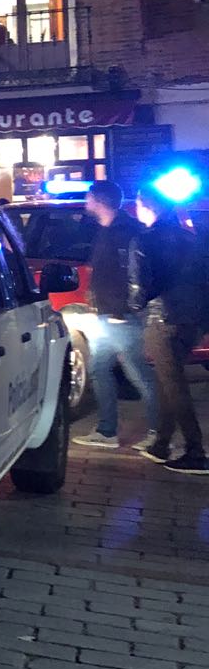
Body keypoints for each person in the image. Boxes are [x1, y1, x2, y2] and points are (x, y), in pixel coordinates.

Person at [74, 181, 157, 450]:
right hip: (106, 316)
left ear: (99, 200)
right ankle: (107, 431)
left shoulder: (127, 232)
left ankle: (158, 431)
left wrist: (123, 309)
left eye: (89, 197)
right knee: (100, 369)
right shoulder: (106, 230)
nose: (86, 202)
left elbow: (135, 275)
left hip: (121, 316)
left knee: (138, 373)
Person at [132, 184, 208, 474]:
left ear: (146, 206)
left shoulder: (144, 239)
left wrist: (133, 308)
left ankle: (195, 451)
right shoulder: (191, 237)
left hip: (163, 318)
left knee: (174, 385)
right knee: (168, 379)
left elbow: (139, 287)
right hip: (193, 320)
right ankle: (161, 443)